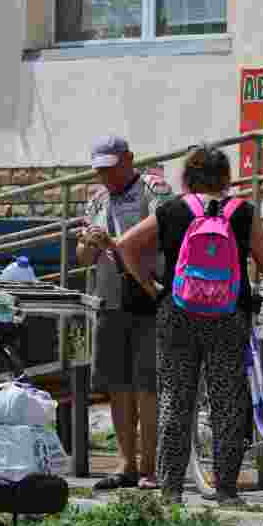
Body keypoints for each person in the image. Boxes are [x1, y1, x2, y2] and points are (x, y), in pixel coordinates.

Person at [116, 146, 263, 506]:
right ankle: (227, 491)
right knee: (227, 402)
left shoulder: (171, 210)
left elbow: (125, 245)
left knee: (175, 400)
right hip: (229, 316)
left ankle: (170, 493)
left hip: (177, 313)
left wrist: (151, 288)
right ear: (226, 178)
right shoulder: (243, 212)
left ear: (187, 178)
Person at [78, 136, 172, 491]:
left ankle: (150, 466)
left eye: (111, 168)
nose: (106, 176)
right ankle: (125, 464)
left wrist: (115, 243)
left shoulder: (154, 190)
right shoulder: (97, 199)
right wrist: (90, 244)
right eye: (100, 170)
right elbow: (83, 258)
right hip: (109, 301)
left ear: (129, 159)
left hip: (148, 298)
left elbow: (165, 235)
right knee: (117, 385)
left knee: (148, 384)